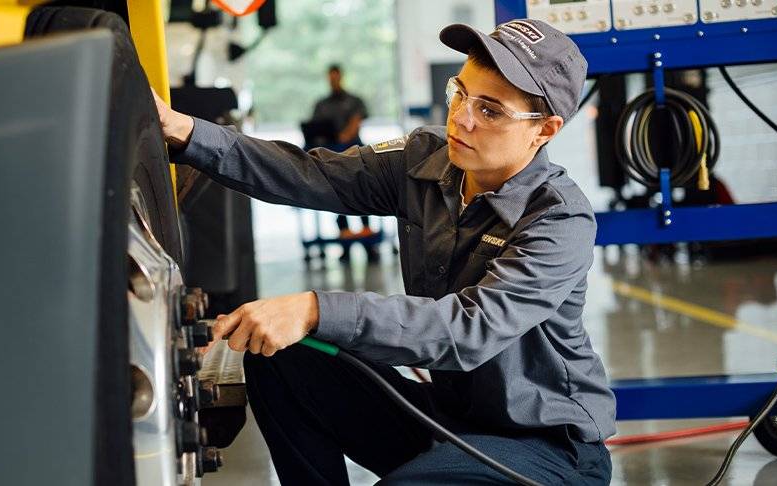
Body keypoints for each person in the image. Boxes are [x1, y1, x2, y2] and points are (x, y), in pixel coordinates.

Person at [152, 19, 614, 485]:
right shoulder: (425, 160)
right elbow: (310, 175)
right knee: (283, 360)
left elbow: (468, 329)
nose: (462, 117)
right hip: (450, 422)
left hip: (546, 446)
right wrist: (187, 132)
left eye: (491, 111)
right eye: (462, 93)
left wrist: (315, 310)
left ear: (544, 130)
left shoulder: (558, 220)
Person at [310, 64, 379, 261]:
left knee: (364, 191)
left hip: (356, 153)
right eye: (330, 78)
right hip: (332, 155)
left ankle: (368, 240)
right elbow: (316, 128)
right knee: (338, 194)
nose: (334, 81)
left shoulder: (354, 101)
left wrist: (344, 136)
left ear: (341, 77)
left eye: (336, 77)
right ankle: (345, 239)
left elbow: (356, 122)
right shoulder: (321, 105)